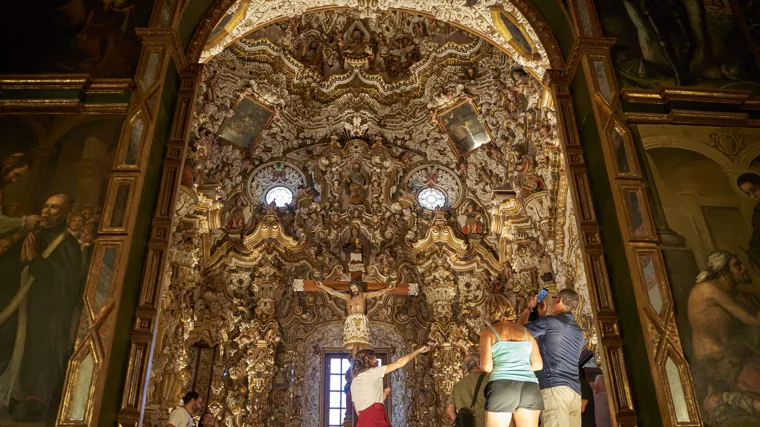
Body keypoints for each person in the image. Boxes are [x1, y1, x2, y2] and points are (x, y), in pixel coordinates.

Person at [687, 250, 760, 423]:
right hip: (718, 363)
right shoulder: (709, 290)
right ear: (723, 273)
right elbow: (754, 321)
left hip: (731, 357)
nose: (743, 269)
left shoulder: (727, 294)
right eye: (736, 265)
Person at [518, 289, 585, 427]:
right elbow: (549, 339)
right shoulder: (578, 331)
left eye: (554, 298)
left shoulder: (551, 322)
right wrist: (542, 316)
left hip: (555, 389)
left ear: (559, 301)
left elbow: (517, 332)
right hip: (574, 393)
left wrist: (530, 308)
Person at [480, 294, 543, 427]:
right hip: (529, 386)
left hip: (502, 386)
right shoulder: (526, 332)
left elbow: (487, 367)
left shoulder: (488, 332)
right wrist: (520, 367)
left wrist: (506, 368)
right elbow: (538, 365)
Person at [351, 344, 432, 426]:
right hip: (376, 418)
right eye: (374, 357)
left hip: (363, 421)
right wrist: (418, 351)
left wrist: (383, 394)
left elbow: (361, 407)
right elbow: (400, 363)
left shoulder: (354, 382)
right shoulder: (374, 372)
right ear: (368, 360)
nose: (376, 360)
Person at [316, 279, 396, 354]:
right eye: (352, 288)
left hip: (361, 319)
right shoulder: (348, 297)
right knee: (354, 342)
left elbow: (379, 293)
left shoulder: (364, 295)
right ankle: (355, 362)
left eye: (355, 288)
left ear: (359, 287)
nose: (354, 290)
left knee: (362, 342)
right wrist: (322, 286)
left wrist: (388, 289)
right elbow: (333, 292)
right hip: (351, 319)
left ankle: (362, 361)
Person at [446, 353, 489, 427]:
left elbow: (450, 411)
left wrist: (461, 424)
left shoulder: (457, 386)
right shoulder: (489, 380)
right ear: (479, 364)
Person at [737, 172, 760, 275]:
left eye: (754, 190)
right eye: (748, 194)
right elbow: (757, 238)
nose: (753, 196)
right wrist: (755, 256)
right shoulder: (758, 212)